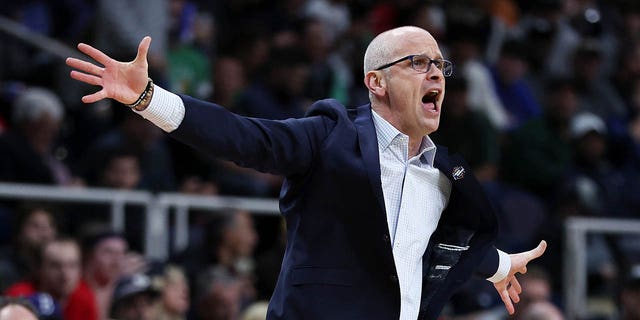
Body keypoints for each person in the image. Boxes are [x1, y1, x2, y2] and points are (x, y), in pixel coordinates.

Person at [66, 25, 547, 320]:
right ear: (375, 82)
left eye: (440, 64)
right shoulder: (330, 136)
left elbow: (429, 244)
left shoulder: (444, 173)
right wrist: (148, 98)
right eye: (418, 63)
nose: (436, 74)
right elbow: (242, 136)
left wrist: (501, 265)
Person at [4, 237, 98, 320]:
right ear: (39, 268)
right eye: (55, 266)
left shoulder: (84, 297)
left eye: (72, 265)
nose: (65, 274)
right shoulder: (18, 297)